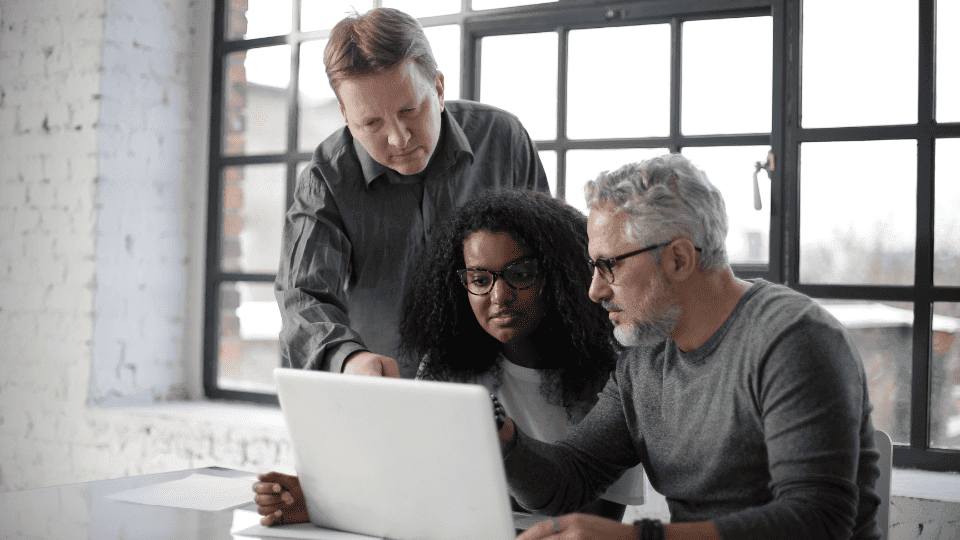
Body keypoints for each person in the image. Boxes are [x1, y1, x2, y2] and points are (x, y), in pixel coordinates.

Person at [498, 154, 882, 540]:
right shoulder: (645, 356)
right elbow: (570, 477)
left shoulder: (794, 340)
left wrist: (639, 539)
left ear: (678, 260)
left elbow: (818, 521)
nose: (595, 291)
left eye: (608, 266)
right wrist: (500, 435)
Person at [253, 189, 645, 526]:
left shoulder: (612, 378)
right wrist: (321, 501)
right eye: (479, 279)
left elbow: (595, 524)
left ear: (559, 277)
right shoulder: (448, 368)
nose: (499, 296)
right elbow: (412, 480)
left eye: (521, 274)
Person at [275, 7, 549, 379]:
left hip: (511, 382)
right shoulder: (326, 176)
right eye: (371, 122)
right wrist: (348, 358)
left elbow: (550, 261)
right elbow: (302, 296)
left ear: (437, 88)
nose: (398, 138)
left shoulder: (503, 139)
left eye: (410, 110)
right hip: (387, 389)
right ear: (344, 112)